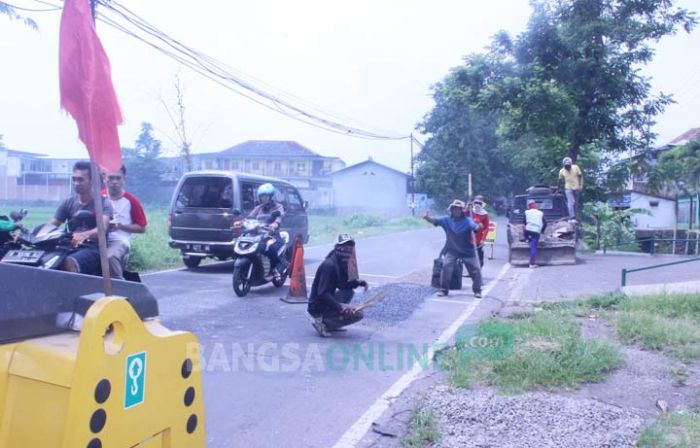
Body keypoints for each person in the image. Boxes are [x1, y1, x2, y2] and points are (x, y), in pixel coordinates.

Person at [49, 160, 113, 275]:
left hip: (93, 248)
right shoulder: (68, 202)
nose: (76, 183)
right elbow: (52, 224)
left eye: (80, 179)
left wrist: (84, 235)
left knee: (68, 263)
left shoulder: (103, 203)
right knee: (46, 259)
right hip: (70, 246)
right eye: (74, 179)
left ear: (92, 181)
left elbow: (102, 228)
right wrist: (31, 235)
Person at [307, 234, 368, 337]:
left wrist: (359, 283)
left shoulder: (340, 262)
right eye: (344, 247)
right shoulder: (329, 265)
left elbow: (343, 285)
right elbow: (323, 293)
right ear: (337, 248)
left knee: (348, 291)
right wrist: (340, 307)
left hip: (325, 301)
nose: (347, 250)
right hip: (317, 306)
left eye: (350, 248)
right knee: (358, 314)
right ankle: (323, 322)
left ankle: (330, 321)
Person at [423, 199, 483, 298]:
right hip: (452, 250)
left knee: (476, 269)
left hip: (467, 251)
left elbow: (475, 228)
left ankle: (477, 290)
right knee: (446, 267)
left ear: (462, 210)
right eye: (455, 209)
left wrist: (479, 227)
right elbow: (435, 220)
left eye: (459, 209)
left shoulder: (467, 220)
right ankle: (444, 290)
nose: (457, 211)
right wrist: (427, 218)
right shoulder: (446, 220)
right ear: (451, 210)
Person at [103, 165, 147, 279]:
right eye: (111, 178)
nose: (114, 182)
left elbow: (142, 228)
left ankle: (120, 288)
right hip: (97, 238)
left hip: (119, 240)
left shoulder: (131, 200)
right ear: (104, 178)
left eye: (118, 178)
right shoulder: (98, 197)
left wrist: (120, 226)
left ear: (124, 179)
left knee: (109, 257)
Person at [239, 183, 288, 278]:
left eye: (265, 196)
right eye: (261, 196)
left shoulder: (278, 207)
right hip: (258, 234)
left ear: (270, 196)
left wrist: (275, 224)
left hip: (272, 234)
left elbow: (279, 217)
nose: (263, 198)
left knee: (271, 248)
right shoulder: (258, 208)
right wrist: (241, 222)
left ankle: (274, 269)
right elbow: (250, 217)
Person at [524, 200, 547, 268]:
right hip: (536, 232)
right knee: (533, 247)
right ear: (536, 206)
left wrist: (525, 234)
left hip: (528, 230)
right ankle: (532, 264)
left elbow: (524, 223)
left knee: (526, 233)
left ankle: (527, 239)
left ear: (529, 206)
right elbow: (545, 223)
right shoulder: (540, 213)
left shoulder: (526, 212)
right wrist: (542, 231)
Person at [469, 195, 490, 268]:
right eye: (476, 202)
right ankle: (470, 270)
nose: (477, 205)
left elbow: (486, 228)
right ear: (473, 203)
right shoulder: (469, 211)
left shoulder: (484, 214)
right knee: (469, 255)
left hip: (478, 238)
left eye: (479, 203)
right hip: (468, 237)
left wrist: (483, 240)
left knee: (478, 254)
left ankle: (478, 269)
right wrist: (467, 207)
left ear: (482, 204)